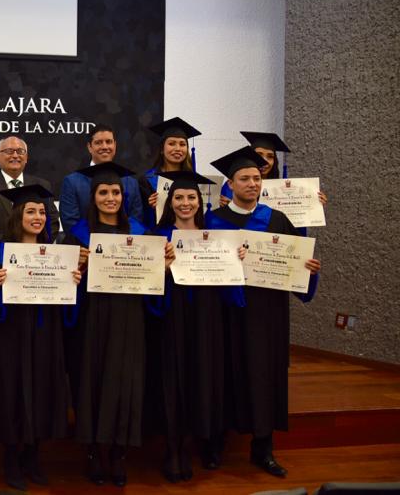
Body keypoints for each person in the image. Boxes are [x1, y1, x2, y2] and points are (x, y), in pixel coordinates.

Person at [206, 147, 321, 477]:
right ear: (231, 183)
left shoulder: (276, 218)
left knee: (264, 374)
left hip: (267, 311)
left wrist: (309, 269)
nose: (252, 183)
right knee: (225, 372)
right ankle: (215, 444)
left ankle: (263, 449)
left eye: (257, 178)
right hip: (228, 310)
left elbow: (294, 261)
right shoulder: (215, 220)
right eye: (245, 178)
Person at [147, 171, 243, 482]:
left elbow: (230, 286)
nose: (185, 203)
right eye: (179, 198)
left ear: (199, 202)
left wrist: (236, 260)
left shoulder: (215, 233)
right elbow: (147, 286)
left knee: (206, 374)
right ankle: (174, 448)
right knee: (174, 379)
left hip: (207, 317)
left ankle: (208, 440)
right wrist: (161, 268)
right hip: (173, 316)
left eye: (191, 197)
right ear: (170, 202)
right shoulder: (158, 236)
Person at [0, 184, 81, 490]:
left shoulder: (57, 254)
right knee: (14, 392)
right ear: (17, 215)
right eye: (31, 211)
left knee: (42, 390)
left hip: (45, 332)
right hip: (12, 334)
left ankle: (33, 455)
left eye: (41, 212)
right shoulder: (2, 251)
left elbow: (68, 306)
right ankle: (12, 457)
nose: (37, 217)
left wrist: (74, 283)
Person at [65, 162, 150, 487]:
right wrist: (77, 268)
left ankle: (119, 452)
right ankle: (94, 452)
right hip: (93, 319)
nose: (110, 197)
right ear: (94, 196)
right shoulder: (77, 236)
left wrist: (164, 264)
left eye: (115, 192)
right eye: (104, 192)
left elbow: (153, 284)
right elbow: (64, 285)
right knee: (94, 379)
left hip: (129, 318)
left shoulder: (141, 235)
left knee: (125, 381)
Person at [0, 136, 61, 247]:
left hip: (33, 256)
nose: (15, 155)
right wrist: (7, 247)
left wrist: (36, 248)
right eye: (9, 151)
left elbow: (53, 221)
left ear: (26, 157)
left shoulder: (42, 185)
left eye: (20, 151)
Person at [59, 124, 144, 233]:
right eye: (98, 143)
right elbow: (70, 222)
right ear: (89, 147)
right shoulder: (72, 182)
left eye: (109, 142)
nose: (104, 147)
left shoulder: (131, 183)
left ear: (115, 145)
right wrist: (96, 244)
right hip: (86, 246)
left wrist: (117, 245)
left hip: (122, 247)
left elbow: (136, 220)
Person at [218, 131, 328, 209]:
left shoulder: (281, 189)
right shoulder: (231, 187)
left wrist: (312, 205)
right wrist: (230, 208)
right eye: (259, 154)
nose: (265, 161)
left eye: (270, 156)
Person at [138, 117, 201, 228]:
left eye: (182, 144)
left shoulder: (194, 179)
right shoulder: (147, 180)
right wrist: (150, 207)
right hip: (158, 236)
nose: (178, 148)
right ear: (162, 149)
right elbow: (138, 217)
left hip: (189, 236)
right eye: (172, 144)